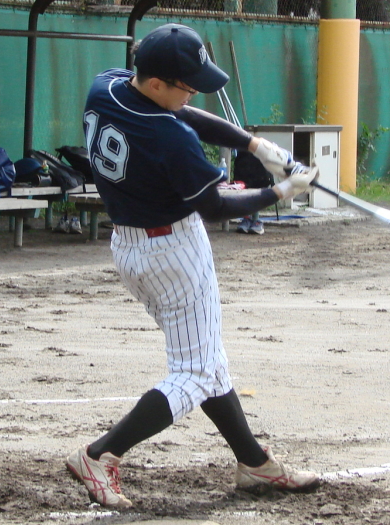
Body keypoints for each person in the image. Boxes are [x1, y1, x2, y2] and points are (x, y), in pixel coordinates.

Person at [66, 23, 320, 509]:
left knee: (208, 362)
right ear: (156, 82)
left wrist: (255, 146)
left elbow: (182, 112)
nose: (193, 93)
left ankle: (254, 463)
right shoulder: (168, 137)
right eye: (186, 85)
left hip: (132, 246)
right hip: (173, 254)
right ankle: (99, 454)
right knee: (197, 372)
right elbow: (215, 207)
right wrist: (279, 192)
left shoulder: (108, 85)